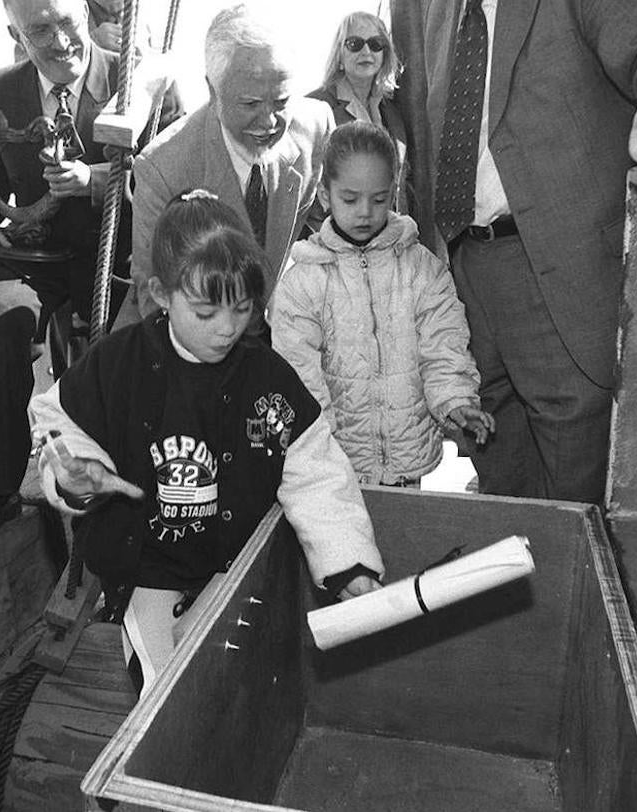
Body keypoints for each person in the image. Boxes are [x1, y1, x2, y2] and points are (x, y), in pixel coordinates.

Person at [387, 0, 637, 502]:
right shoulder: (446, 9)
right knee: (503, 494)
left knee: (573, 512)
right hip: (471, 287)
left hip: (560, 290)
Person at [30, 192, 383, 692]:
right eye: (204, 312)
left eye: (241, 310)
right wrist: (78, 472)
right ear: (160, 294)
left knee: (229, 687)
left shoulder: (266, 379)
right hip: (147, 570)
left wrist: (350, 565)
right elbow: (55, 417)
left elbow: (317, 472)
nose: (226, 329)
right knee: (165, 697)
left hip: (230, 568)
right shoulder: (118, 364)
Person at [0, 0, 176, 556]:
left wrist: (97, 177)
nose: (60, 41)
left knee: (138, 352)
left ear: (83, 11)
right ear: (17, 38)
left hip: (122, 256)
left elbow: (170, 179)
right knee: (2, 323)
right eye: (39, 32)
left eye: (65, 21)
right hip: (36, 257)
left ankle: (150, 486)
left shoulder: (145, 84)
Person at [270, 121, 492, 487]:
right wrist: (319, 450)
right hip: (335, 467)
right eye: (350, 199)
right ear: (325, 195)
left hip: (409, 459)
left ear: (393, 193)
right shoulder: (304, 281)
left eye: (378, 200)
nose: (364, 213)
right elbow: (299, 376)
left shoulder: (422, 268)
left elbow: (444, 345)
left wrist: (455, 399)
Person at [120, 5, 334, 327]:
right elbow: (154, 295)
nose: (269, 122)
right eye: (250, 104)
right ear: (212, 90)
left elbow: (323, 224)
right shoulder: (162, 170)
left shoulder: (316, 126)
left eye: (281, 102)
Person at [306, 12, 412, 214]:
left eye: (375, 44)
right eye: (355, 44)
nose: (366, 51)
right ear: (339, 54)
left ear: (385, 53)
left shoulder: (393, 112)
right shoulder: (315, 106)